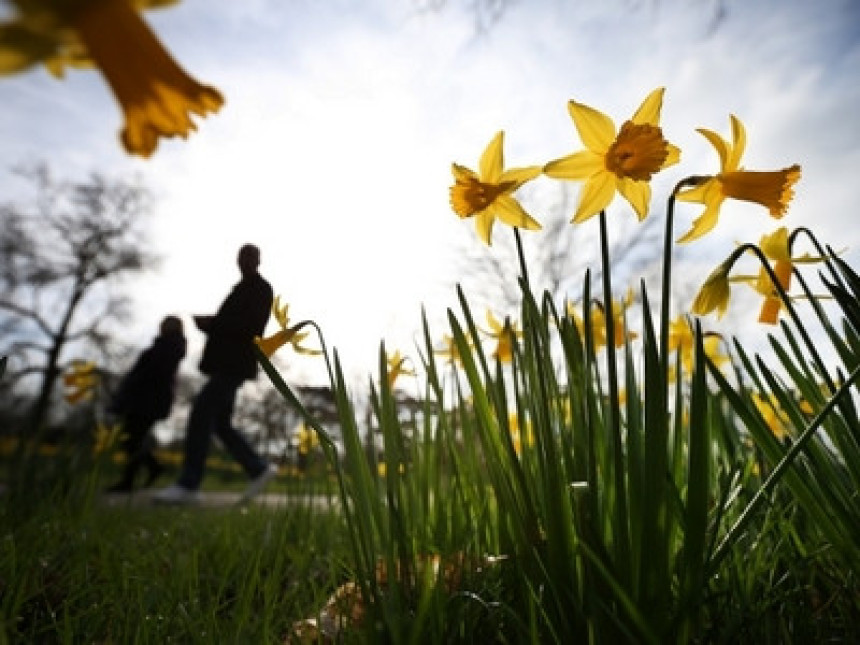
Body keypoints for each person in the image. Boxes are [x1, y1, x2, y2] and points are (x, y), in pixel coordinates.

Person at [154, 243, 278, 504]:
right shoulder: (241, 289)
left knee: (201, 412)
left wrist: (213, 324)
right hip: (226, 363)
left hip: (235, 363)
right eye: (241, 256)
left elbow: (252, 326)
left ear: (258, 260)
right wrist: (213, 324)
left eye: (249, 256)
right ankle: (257, 467)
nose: (243, 260)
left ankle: (189, 484)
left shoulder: (260, 288)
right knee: (221, 423)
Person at [106, 315, 187, 493]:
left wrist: (126, 394)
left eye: (166, 325)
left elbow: (148, 375)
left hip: (146, 400)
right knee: (134, 438)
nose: (162, 327)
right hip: (147, 399)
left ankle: (129, 480)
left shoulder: (167, 347)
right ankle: (151, 468)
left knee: (132, 438)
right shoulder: (167, 347)